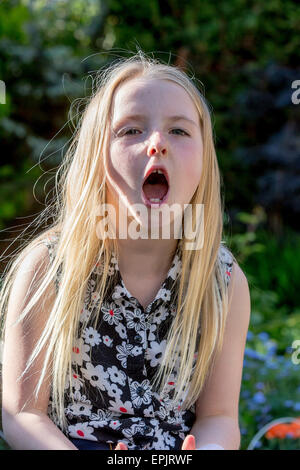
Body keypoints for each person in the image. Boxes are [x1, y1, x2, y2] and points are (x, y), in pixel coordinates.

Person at [0, 50, 251, 451]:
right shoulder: (48, 267)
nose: (156, 144)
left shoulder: (221, 281)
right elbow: (21, 412)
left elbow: (219, 418)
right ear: (96, 157)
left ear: (204, 160)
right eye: (131, 130)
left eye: (180, 131)